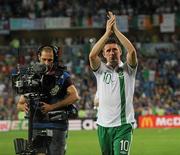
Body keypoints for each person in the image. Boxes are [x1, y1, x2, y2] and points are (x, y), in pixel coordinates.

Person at [89, 11, 138, 155]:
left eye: (115, 50)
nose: (112, 52)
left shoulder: (128, 69)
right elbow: (92, 55)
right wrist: (106, 33)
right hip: (103, 126)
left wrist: (115, 31)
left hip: (123, 126)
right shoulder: (100, 70)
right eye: (108, 50)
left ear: (120, 52)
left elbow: (132, 52)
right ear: (104, 54)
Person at [17, 46, 80, 155]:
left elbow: (75, 96)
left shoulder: (62, 76)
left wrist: (52, 107)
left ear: (54, 59)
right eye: (44, 59)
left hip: (57, 125)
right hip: (36, 125)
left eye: (50, 60)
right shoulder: (31, 77)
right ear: (38, 57)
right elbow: (20, 103)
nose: (46, 63)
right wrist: (24, 107)